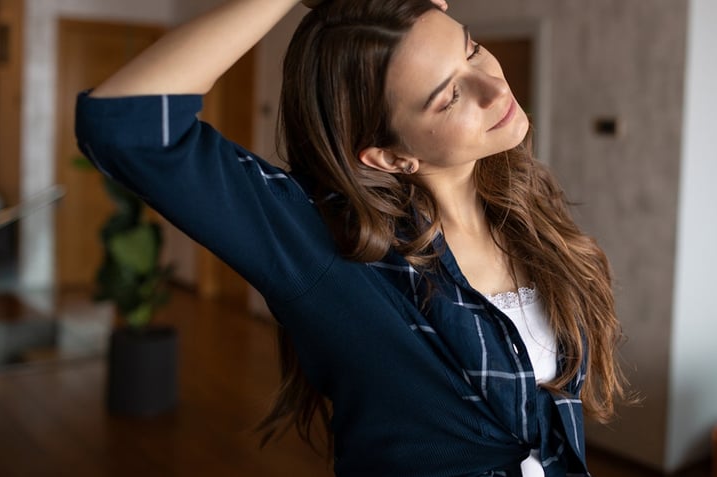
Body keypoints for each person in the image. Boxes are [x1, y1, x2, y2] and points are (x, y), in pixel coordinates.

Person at [75, 0, 628, 475]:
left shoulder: (524, 206)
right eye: (448, 96)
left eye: (471, 48)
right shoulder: (329, 252)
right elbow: (127, 127)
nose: (492, 85)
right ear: (390, 157)